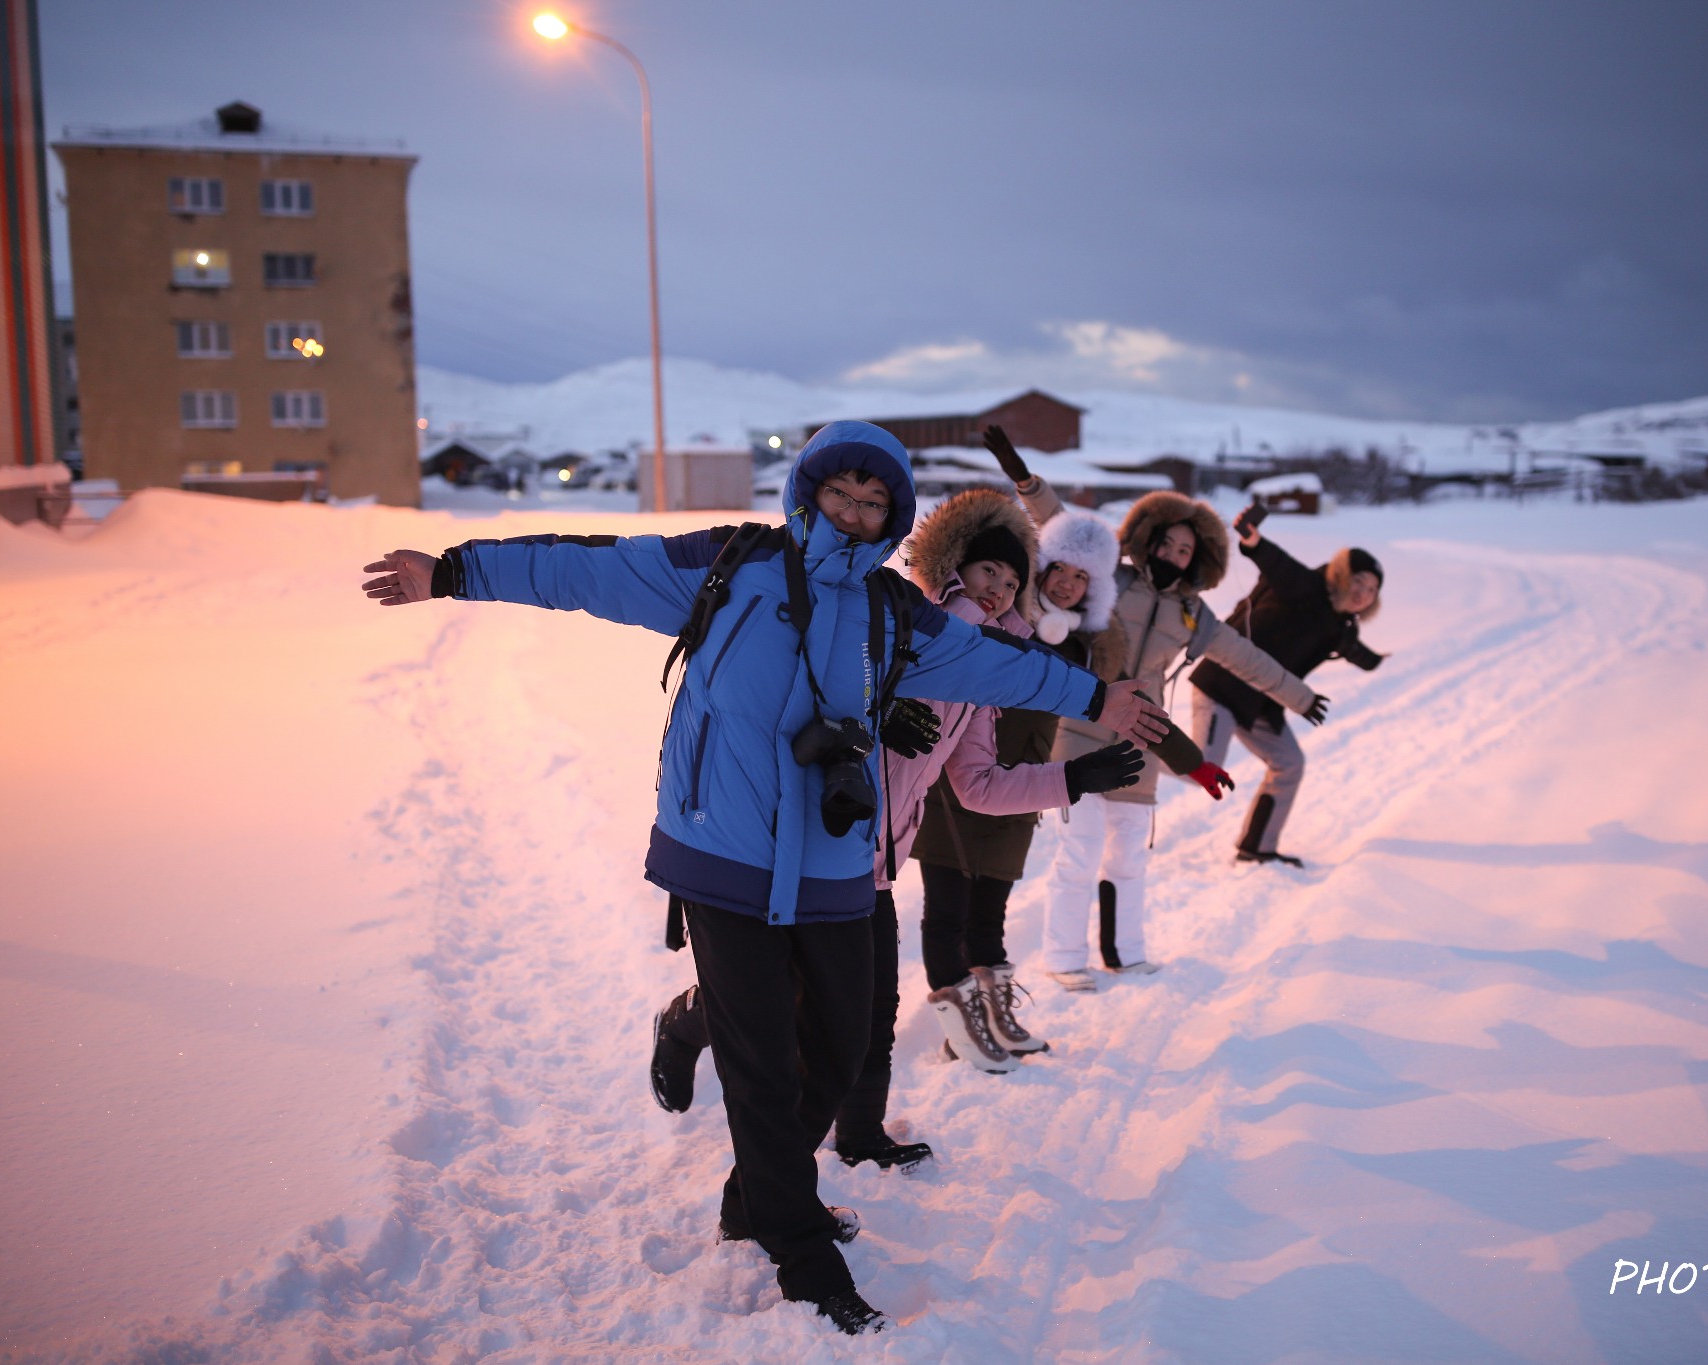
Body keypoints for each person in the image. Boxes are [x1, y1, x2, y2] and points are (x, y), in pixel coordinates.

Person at [359, 421, 1168, 1336]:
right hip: (721, 849)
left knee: (841, 1037)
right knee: (762, 1062)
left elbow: (996, 663)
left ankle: (757, 1192)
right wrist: (456, 570)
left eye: (875, 505)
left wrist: (1098, 698)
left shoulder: (892, 615)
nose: (856, 516)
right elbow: (584, 569)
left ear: (891, 516)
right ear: (809, 490)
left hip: (833, 858)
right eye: (842, 496)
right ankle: (797, 1248)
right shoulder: (728, 566)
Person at [650, 490, 1146, 1175]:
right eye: (987, 574)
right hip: (803, 844)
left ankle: (859, 1132)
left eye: (1011, 580)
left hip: (873, 861)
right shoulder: (892, 622)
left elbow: (978, 783)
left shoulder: (982, 675)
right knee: (780, 994)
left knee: (869, 1006)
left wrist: (1072, 777)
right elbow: (804, 691)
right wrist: (878, 717)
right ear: (954, 566)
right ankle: (689, 1023)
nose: (999, 590)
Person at [982, 426, 1323, 990]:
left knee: (1130, 856)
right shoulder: (1111, 575)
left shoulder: (1193, 615)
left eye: (1184, 549)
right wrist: (1025, 478)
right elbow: (1059, 522)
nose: (1171, 553)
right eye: (1165, 542)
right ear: (1148, 538)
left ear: (1200, 558)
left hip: (1141, 741)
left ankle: (1125, 952)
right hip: (1078, 729)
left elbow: (1247, 658)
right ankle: (1064, 958)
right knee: (1080, 851)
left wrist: (1300, 695)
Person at [911, 499, 1229, 1029]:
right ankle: (960, 1029)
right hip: (955, 779)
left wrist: (1190, 762)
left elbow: (1130, 707)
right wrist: (1028, 485)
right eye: (1060, 571)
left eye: (1084, 579)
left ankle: (993, 1021)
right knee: (946, 910)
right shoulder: (1007, 629)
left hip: (1025, 785)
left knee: (990, 914)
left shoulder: (1086, 649)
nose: (1067, 585)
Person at [1189, 511, 1386, 867]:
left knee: (1289, 763)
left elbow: (1351, 647)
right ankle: (1119, 752)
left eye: (1372, 590)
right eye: (1359, 581)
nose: (1363, 593)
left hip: (1261, 703)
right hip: (1223, 685)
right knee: (1199, 765)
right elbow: (1276, 563)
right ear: (1342, 573)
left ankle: (1257, 847)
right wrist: (1253, 539)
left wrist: (1374, 660)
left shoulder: (1340, 623)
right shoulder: (1305, 586)